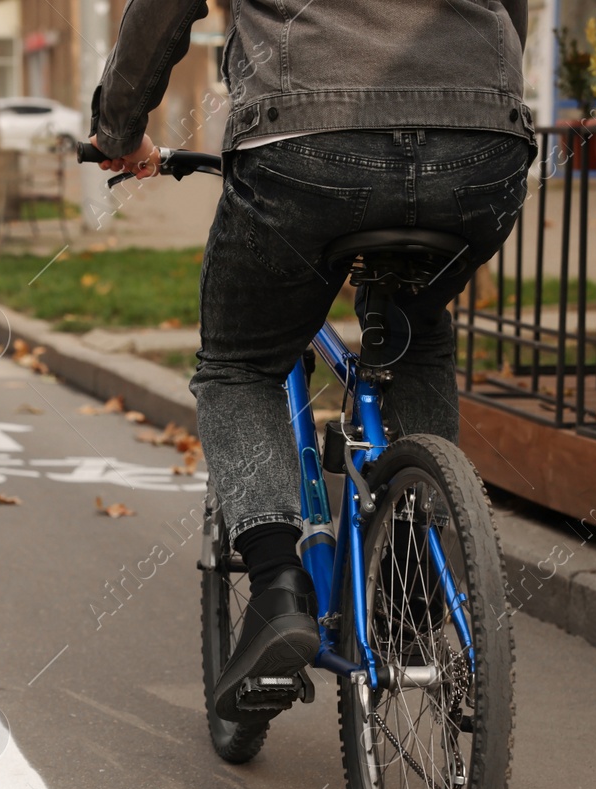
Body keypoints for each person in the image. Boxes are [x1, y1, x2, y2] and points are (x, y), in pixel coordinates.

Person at [91, 0, 535, 721]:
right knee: (417, 331)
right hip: (481, 146)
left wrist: (119, 128)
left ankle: (275, 590)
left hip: (307, 141)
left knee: (240, 363)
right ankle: (414, 578)